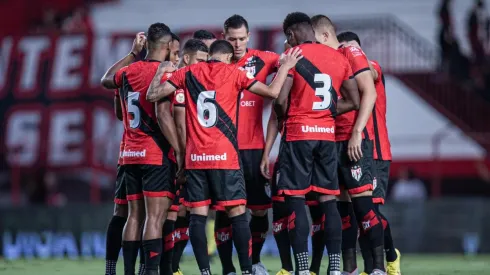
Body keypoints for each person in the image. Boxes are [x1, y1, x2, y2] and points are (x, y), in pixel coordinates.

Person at [147, 39, 301, 275]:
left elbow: (152, 95)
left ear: (210, 55)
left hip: (196, 159)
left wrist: (159, 72)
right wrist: (285, 67)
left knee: (197, 216)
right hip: (225, 159)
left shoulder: (188, 72)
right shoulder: (235, 72)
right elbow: (272, 91)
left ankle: (205, 272)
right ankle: (247, 271)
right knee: (238, 213)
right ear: (228, 57)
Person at [274, 12, 361, 275]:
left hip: (298, 133)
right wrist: (325, 113)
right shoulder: (338, 57)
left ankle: (302, 268)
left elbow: (279, 99)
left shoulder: (292, 56)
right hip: (326, 135)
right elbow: (354, 100)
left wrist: (283, 118)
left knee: (297, 200)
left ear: (290, 34)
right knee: (328, 201)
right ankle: (334, 268)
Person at [101, 23, 181, 275]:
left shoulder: (128, 72)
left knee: (133, 215)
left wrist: (133, 53)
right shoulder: (167, 73)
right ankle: (151, 270)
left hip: (129, 153)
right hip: (155, 153)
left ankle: (126, 272)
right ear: (168, 46)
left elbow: (105, 80)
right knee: (155, 218)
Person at [311, 15, 385, 275]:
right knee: (343, 213)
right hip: (330, 142)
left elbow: (370, 92)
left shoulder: (349, 51)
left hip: (352, 141)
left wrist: (356, 133)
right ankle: (350, 269)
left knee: (364, 207)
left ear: (323, 35)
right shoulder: (322, 60)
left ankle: (379, 268)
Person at [210, 14, 281, 275]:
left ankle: (254, 262)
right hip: (223, 149)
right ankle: (228, 268)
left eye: (241, 39)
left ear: (248, 37)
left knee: (260, 211)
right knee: (225, 210)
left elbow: (291, 61)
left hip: (253, 149)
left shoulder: (264, 59)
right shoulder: (212, 65)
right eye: (232, 39)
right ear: (223, 37)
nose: (237, 44)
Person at [337, 31, 401, 275]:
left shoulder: (370, 66)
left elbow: (370, 73)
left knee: (369, 210)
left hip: (376, 150)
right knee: (356, 212)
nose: (348, 52)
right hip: (355, 148)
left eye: (351, 48)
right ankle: (367, 269)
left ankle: (390, 256)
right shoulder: (343, 77)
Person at [149, 38, 210, 275]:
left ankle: (170, 267)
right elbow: (178, 123)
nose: (204, 65)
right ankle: (168, 268)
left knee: (183, 211)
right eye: (200, 60)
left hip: (192, 157)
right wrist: (182, 153)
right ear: (187, 59)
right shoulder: (181, 81)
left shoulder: (193, 81)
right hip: (178, 157)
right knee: (174, 212)